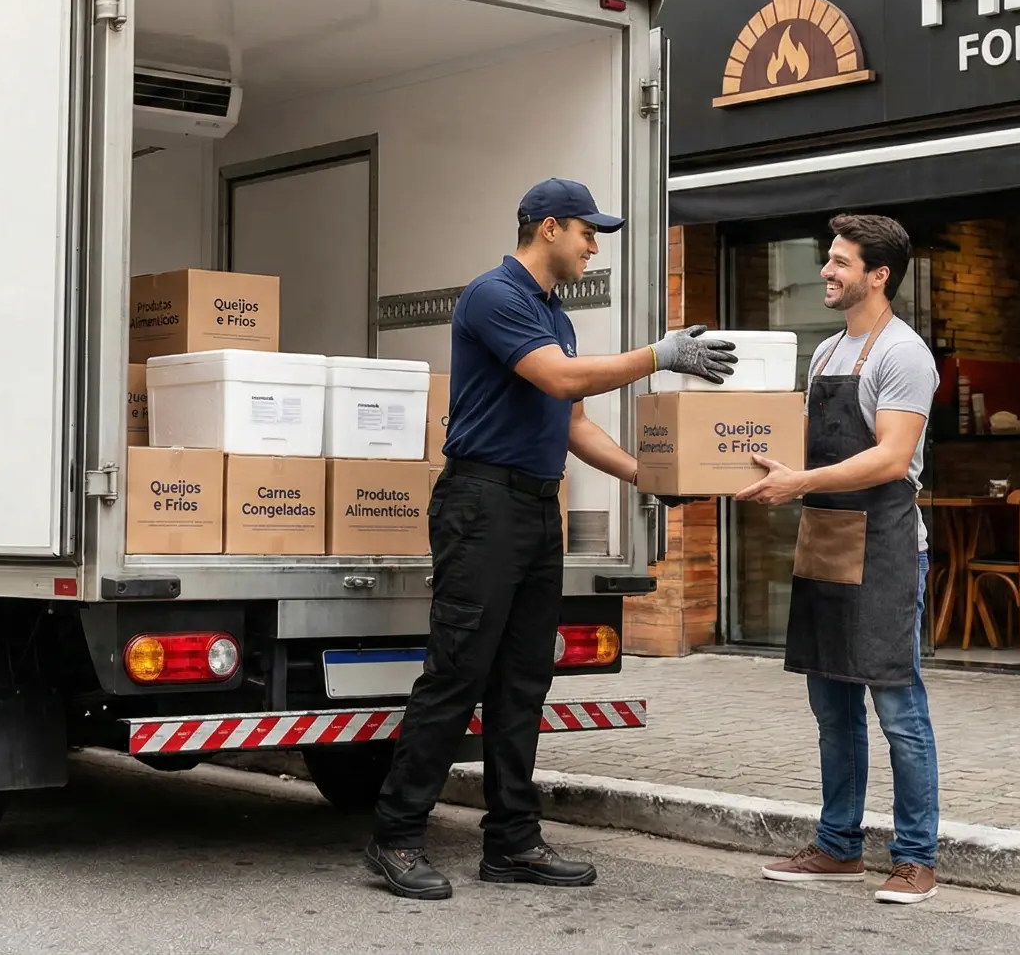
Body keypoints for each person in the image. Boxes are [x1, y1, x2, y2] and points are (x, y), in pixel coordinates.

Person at [363, 177, 738, 900]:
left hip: (536, 508)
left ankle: (510, 841)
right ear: (547, 228)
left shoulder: (550, 314)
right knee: (458, 672)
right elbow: (563, 382)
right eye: (587, 232)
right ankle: (396, 835)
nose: (594, 247)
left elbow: (569, 423)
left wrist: (647, 476)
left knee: (523, 679)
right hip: (481, 504)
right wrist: (659, 355)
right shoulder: (494, 296)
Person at [735, 213, 943, 905]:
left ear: (878, 275)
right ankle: (838, 844)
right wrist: (754, 463)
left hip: (883, 542)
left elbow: (889, 456)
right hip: (825, 539)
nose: (825, 270)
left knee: (896, 703)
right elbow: (806, 446)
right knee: (831, 704)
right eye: (827, 259)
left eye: (839, 262)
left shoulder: (903, 354)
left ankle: (915, 856)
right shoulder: (825, 354)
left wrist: (799, 482)